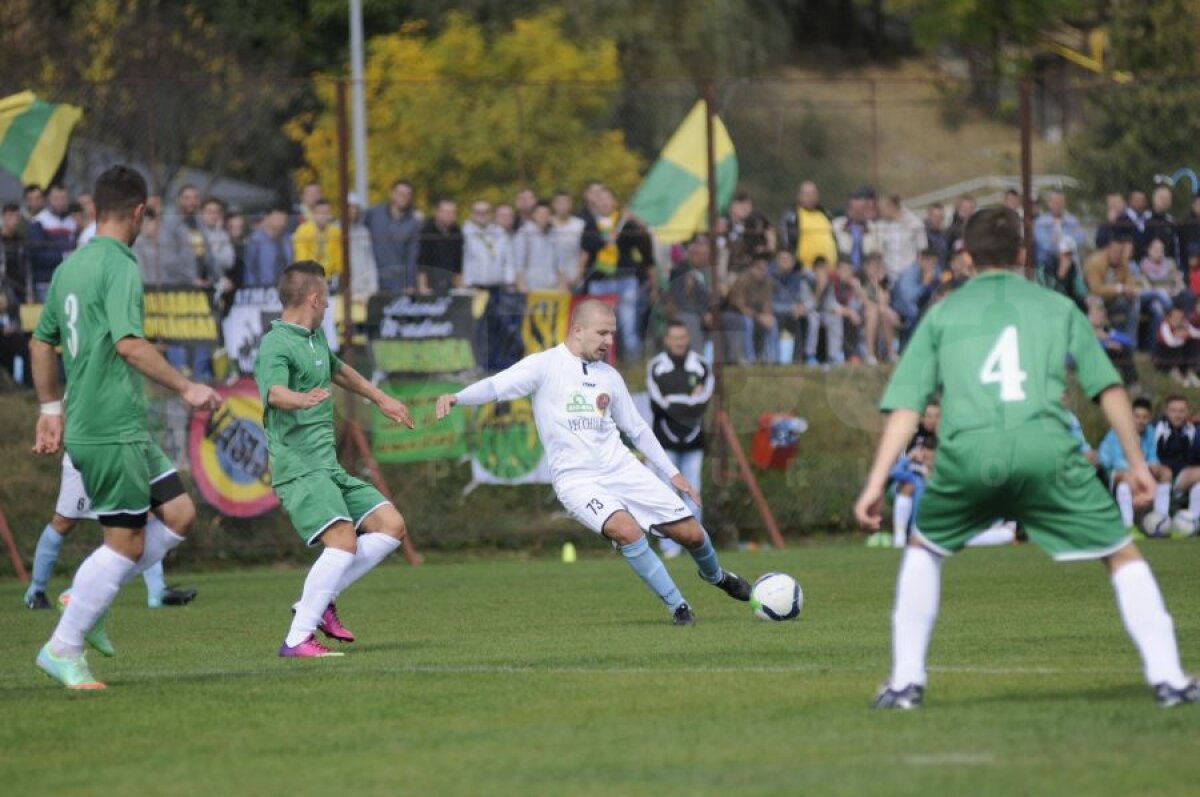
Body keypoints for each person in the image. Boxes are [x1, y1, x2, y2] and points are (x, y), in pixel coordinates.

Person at [854, 207, 1197, 709]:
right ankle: (1169, 679)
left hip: (969, 452)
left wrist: (874, 483)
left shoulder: (943, 313)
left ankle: (906, 683)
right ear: (1022, 254)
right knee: (1121, 554)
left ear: (965, 257)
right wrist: (1138, 464)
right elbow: (1109, 388)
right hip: (1047, 450)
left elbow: (907, 406)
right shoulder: (1057, 307)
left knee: (924, 549)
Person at [435, 300, 751, 624]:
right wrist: (457, 397)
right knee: (626, 531)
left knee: (693, 534)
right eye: (602, 333)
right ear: (577, 330)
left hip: (622, 468)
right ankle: (679, 607)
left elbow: (637, 428)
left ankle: (716, 577)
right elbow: (496, 386)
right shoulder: (544, 366)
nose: (609, 342)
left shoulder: (610, 377)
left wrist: (673, 474)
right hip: (576, 479)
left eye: (612, 335)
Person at [29, 165, 221, 690]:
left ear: (94, 209)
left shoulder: (72, 266)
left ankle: (87, 591)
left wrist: (50, 410)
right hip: (107, 427)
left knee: (180, 514)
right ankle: (63, 647)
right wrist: (187, 387)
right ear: (138, 213)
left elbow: (40, 341)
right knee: (125, 547)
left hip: (122, 426)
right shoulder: (120, 265)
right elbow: (129, 344)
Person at [255, 261, 414, 658]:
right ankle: (296, 639)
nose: (328, 304)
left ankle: (322, 599)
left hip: (327, 467)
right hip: (299, 468)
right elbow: (273, 392)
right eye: (326, 297)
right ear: (313, 297)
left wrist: (381, 399)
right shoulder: (276, 343)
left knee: (391, 526)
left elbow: (339, 371)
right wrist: (301, 399)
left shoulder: (314, 338)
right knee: (342, 542)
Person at [23, 453, 198, 610]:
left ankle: (157, 592)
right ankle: (37, 591)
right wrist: (51, 415)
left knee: (145, 516)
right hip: (89, 453)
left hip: (127, 451)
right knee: (64, 522)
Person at [646, 321, 715, 559]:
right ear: (667, 340)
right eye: (674, 338)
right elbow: (658, 404)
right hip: (664, 443)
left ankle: (696, 544)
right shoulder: (656, 366)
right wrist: (687, 400)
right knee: (666, 494)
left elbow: (702, 402)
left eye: (682, 337)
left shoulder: (701, 365)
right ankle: (670, 547)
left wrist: (676, 400)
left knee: (693, 490)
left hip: (694, 441)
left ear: (688, 338)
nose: (679, 342)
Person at [1098, 397, 1172, 530]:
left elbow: (1152, 456)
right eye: (1137, 416)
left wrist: (1154, 466)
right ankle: (1129, 527)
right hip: (1112, 472)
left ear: (1150, 418)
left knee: (1165, 472)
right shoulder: (1118, 431)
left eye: (1145, 417)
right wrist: (1143, 470)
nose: (1141, 420)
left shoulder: (1150, 431)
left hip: (1138, 470)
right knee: (1126, 479)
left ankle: (1162, 522)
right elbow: (1117, 462)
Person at [1152, 394, 1200, 521]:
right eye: (1173, 411)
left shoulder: (1193, 430)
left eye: (1181, 411)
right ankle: (1161, 519)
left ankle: (1191, 521)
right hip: (1157, 477)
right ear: (1166, 411)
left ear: (1187, 412)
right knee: (1164, 472)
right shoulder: (1156, 428)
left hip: (1182, 478)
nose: (1177, 415)